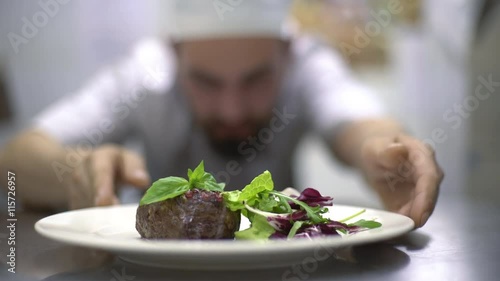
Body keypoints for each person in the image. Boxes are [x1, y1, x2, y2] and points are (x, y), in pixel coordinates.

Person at [0, 0, 442, 228]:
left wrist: (383, 154)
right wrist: (76, 171)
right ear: (174, 54)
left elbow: (362, 128)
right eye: (207, 83)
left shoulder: (308, 63)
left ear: (286, 54)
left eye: (254, 80)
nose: (231, 109)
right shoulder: (145, 72)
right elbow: (13, 162)